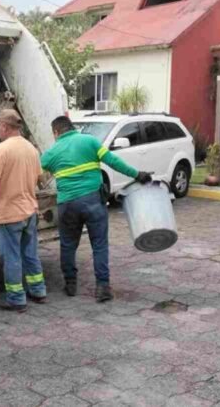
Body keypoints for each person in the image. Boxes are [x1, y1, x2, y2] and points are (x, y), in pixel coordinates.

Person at [41, 116, 151, 302]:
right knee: (99, 245)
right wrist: (137, 174)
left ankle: (70, 284)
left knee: (67, 245)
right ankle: (102, 287)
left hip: (67, 204)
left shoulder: (51, 152)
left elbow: (38, 171)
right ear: (72, 127)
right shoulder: (90, 141)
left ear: (56, 132)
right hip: (92, 201)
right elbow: (113, 161)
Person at [0, 109, 47, 313]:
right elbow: (40, 179)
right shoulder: (31, 149)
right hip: (29, 211)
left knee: (12, 257)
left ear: (4, 126)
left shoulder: (2, 150)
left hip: (9, 212)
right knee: (30, 253)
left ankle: (16, 299)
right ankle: (38, 291)